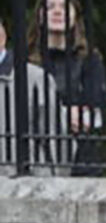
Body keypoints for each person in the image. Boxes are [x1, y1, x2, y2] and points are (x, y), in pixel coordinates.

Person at [27, 0, 106, 176]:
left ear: (75, 15)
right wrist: (65, 113)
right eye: (50, 7)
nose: (57, 12)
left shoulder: (90, 60)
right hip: (35, 158)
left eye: (64, 7)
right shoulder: (25, 61)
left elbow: (92, 115)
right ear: (40, 16)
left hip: (82, 159)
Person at [0, 14, 68, 177]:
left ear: (1, 36)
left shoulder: (34, 79)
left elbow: (57, 143)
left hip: (20, 189)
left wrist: (44, 185)